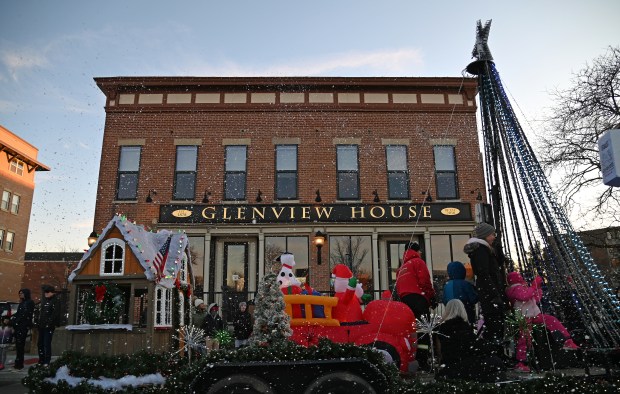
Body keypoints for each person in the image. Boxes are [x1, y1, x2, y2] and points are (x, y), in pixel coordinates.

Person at [505, 271, 579, 372]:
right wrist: (534, 285)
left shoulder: (521, 287)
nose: (521, 277)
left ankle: (566, 340)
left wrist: (538, 290)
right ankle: (521, 362)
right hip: (523, 316)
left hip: (532, 314)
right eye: (519, 276)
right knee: (525, 339)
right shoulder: (514, 288)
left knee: (551, 320)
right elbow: (524, 296)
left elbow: (533, 299)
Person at [437, 299, 506, 383]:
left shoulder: (442, 329)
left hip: (448, 367)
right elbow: (478, 347)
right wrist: (492, 347)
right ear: (463, 310)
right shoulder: (461, 327)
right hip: (461, 367)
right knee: (496, 362)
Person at [463, 223, 507, 352]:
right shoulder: (480, 250)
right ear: (485, 235)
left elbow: (492, 269)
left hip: (490, 293)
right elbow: (484, 274)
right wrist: (494, 294)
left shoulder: (486, 249)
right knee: (495, 324)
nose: (494, 237)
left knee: (496, 324)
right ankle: (494, 354)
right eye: (492, 234)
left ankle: (496, 354)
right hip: (490, 295)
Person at [395, 241, 436, 370]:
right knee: (423, 330)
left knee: (411, 332)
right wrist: (431, 297)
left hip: (405, 302)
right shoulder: (418, 262)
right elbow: (424, 281)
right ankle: (423, 361)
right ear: (416, 251)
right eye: (419, 250)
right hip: (419, 299)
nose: (421, 252)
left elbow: (398, 288)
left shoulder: (401, 269)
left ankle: (409, 359)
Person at [11, 288, 35, 370]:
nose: (20, 294)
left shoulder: (29, 302)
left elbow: (25, 315)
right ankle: (18, 363)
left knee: (20, 345)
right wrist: (13, 319)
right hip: (19, 326)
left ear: (26, 293)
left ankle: (19, 364)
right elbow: (18, 313)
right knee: (18, 346)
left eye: (22, 293)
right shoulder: (22, 303)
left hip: (23, 326)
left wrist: (16, 321)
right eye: (19, 293)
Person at [38, 285, 61, 366]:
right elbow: (42, 313)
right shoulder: (44, 300)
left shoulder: (55, 301)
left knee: (46, 343)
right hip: (42, 325)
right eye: (45, 292)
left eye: (47, 292)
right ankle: (41, 360)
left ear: (52, 292)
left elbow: (55, 314)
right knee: (40, 343)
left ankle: (46, 361)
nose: (46, 294)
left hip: (49, 326)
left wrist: (49, 323)